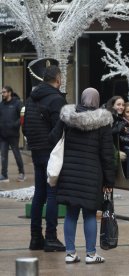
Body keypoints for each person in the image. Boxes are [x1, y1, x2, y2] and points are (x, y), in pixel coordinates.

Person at [49, 88, 114, 264]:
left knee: (71, 213)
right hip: (92, 174)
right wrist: (109, 180)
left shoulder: (68, 117)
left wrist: (62, 125)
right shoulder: (103, 122)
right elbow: (107, 154)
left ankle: (70, 253)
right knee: (90, 214)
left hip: (69, 172)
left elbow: (53, 138)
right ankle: (91, 254)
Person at [23, 59, 66, 252]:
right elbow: (60, 125)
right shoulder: (56, 99)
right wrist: (52, 142)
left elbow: (26, 125)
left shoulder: (31, 98)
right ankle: (50, 237)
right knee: (52, 194)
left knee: (39, 194)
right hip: (51, 152)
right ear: (58, 78)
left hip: (36, 150)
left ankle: (34, 238)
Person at [0, 85, 25, 182]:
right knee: (3, 156)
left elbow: (23, 115)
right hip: (3, 135)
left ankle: (22, 173)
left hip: (13, 135)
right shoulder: (1, 105)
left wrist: (16, 124)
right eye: (2, 92)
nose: (3, 94)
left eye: (4, 92)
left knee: (16, 154)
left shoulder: (17, 103)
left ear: (9, 93)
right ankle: (4, 175)